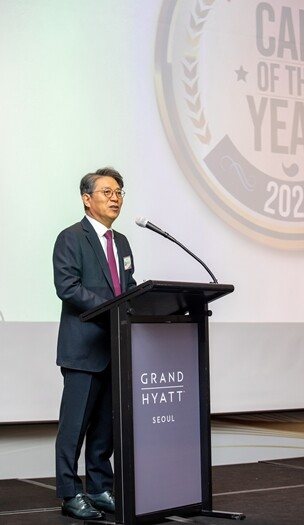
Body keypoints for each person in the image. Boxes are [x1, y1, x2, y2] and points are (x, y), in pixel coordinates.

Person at [53, 167, 136, 520]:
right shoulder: (71, 237)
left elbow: (127, 286)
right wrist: (112, 309)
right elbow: (67, 287)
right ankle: (70, 493)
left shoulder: (122, 242)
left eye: (119, 192)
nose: (115, 197)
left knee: (106, 428)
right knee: (74, 429)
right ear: (87, 199)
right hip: (84, 350)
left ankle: (101, 487)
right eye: (107, 192)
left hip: (115, 348)